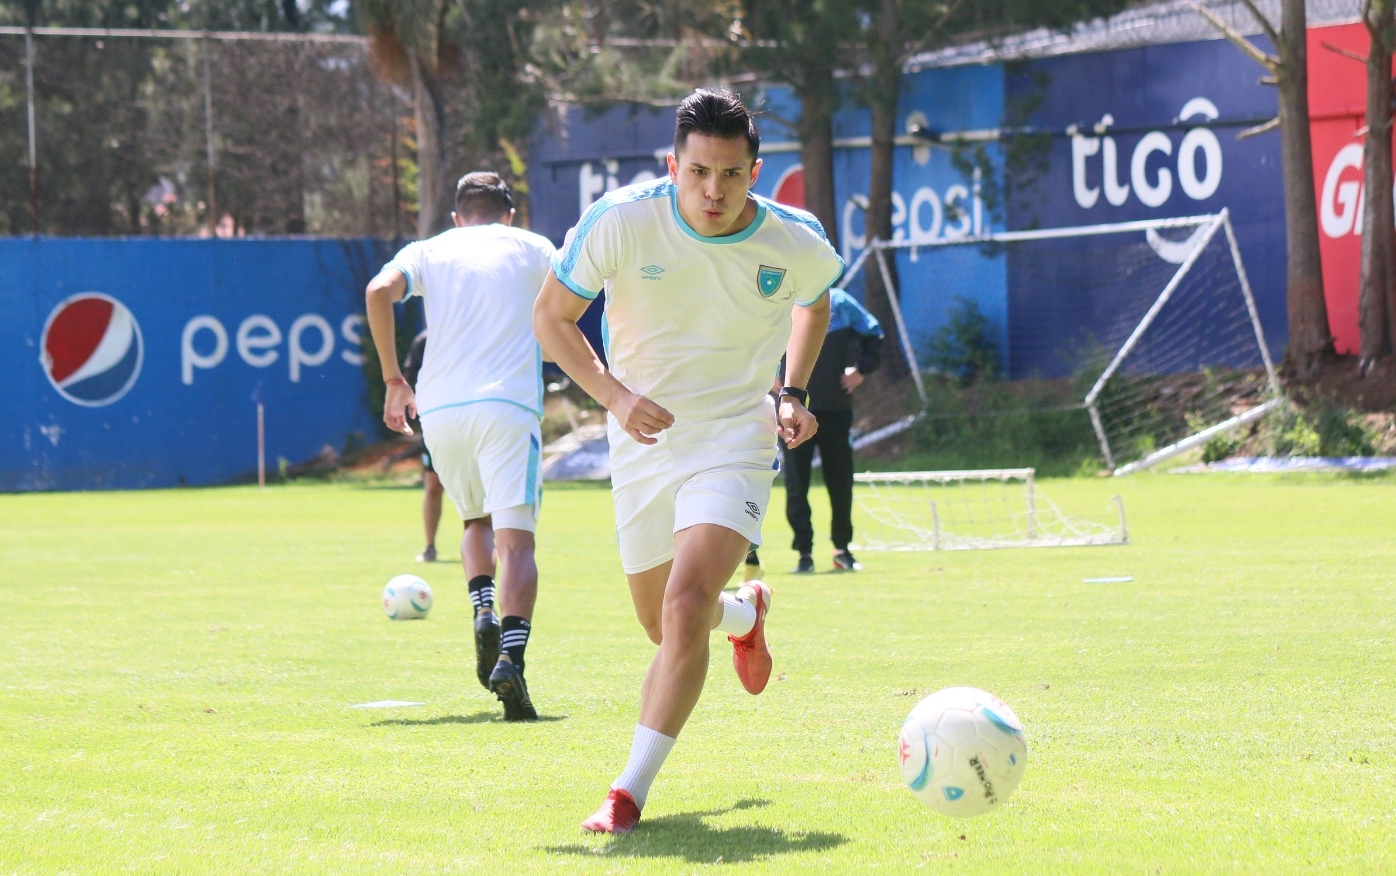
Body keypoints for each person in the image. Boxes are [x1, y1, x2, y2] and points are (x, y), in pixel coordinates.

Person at [533, 86, 843, 834]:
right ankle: (745, 613)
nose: (714, 190)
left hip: (736, 437)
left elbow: (815, 302)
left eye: (731, 174)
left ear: (754, 173)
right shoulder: (620, 221)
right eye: (699, 171)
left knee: (682, 607)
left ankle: (627, 793)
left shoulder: (793, 239)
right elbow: (551, 317)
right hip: (641, 440)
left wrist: (793, 391)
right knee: (662, 623)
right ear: (673, 165)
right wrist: (614, 397)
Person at [366, 171, 556, 721]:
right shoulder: (534, 247)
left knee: (475, 521)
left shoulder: (428, 250)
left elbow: (377, 292)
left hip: (441, 409)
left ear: (456, 217)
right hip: (507, 405)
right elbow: (576, 303)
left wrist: (393, 379)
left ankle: (483, 607)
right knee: (516, 543)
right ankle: (511, 659)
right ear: (509, 215)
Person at [783, 288, 883, 573]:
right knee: (796, 484)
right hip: (792, 412)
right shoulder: (779, 299)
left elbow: (875, 335)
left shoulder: (838, 302)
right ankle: (804, 553)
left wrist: (860, 370)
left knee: (840, 482)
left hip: (835, 408)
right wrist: (772, 379)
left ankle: (842, 549)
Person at [401, 328, 445, 563]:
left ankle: (489, 544)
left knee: (479, 485)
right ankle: (430, 546)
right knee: (433, 483)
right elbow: (410, 379)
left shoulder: (475, 330)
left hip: (475, 417)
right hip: (436, 421)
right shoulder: (424, 341)